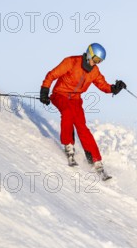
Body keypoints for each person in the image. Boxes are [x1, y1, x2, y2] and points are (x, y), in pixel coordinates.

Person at [39, 43, 126, 177]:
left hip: (75, 99)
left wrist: (114, 88)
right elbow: (52, 75)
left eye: (99, 62)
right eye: (95, 59)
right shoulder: (71, 62)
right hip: (60, 94)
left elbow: (103, 85)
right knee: (67, 114)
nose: (95, 63)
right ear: (89, 54)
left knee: (81, 126)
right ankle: (68, 145)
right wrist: (44, 91)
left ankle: (95, 160)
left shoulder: (94, 71)